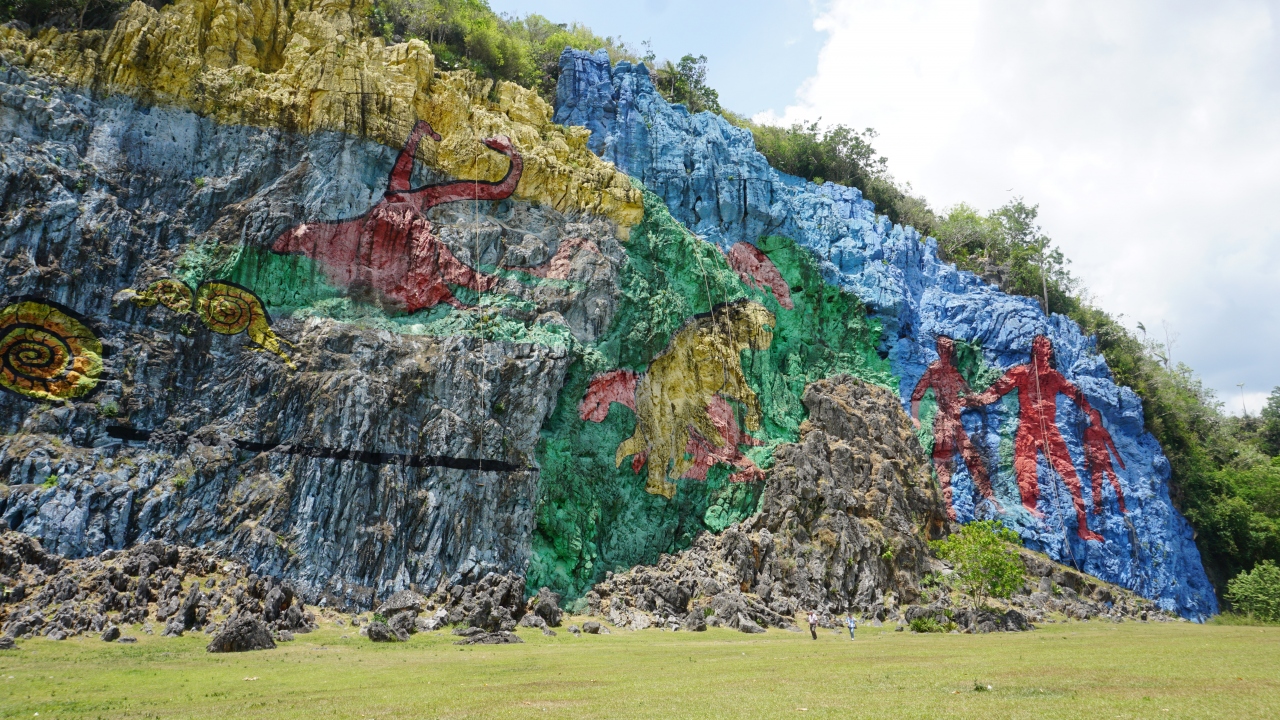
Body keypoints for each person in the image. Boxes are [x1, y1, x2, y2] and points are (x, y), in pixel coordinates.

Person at [966, 335, 1113, 541]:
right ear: (1033, 349)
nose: (1041, 349)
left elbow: (1075, 394)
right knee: (1025, 470)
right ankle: (1028, 508)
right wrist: (973, 400)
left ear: (1050, 351)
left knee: (1072, 478)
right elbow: (995, 392)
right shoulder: (1020, 373)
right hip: (1027, 428)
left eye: (1045, 346)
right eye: (1037, 345)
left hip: (1049, 430)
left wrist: (1091, 412)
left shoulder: (1055, 377)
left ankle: (1083, 528)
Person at [910, 335, 998, 520]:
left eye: (949, 349)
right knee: (943, 458)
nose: (947, 352)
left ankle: (990, 496)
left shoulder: (953, 371)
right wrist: (915, 418)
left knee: (971, 456)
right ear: (939, 349)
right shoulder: (934, 370)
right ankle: (947, 505)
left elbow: (968, 393)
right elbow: (918, 393)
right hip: (943, 419)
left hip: (956, 419)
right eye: (944, 348)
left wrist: (978, 399)